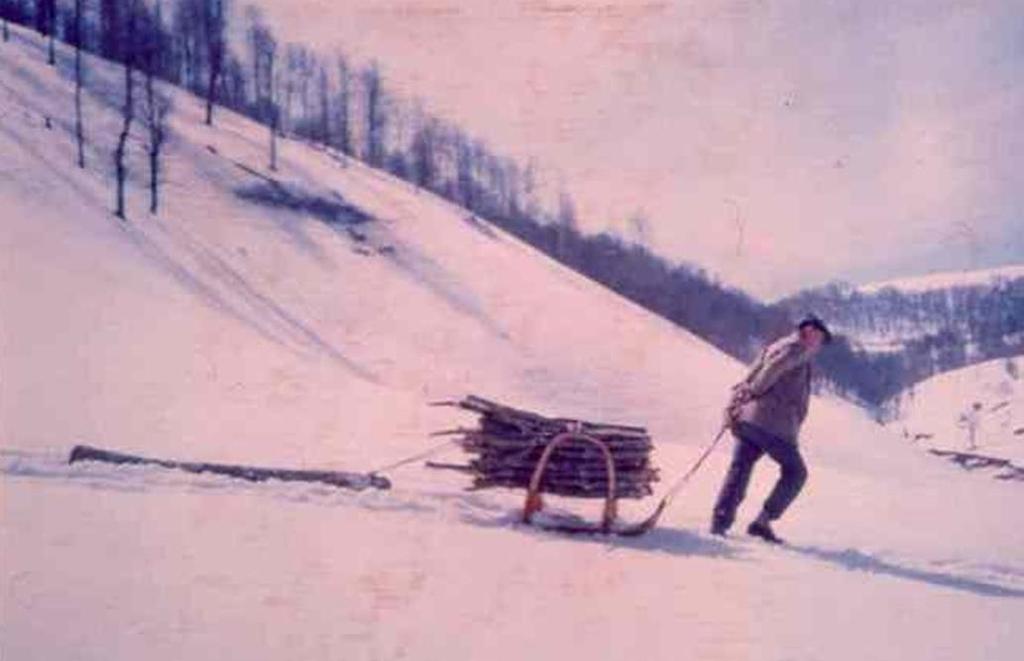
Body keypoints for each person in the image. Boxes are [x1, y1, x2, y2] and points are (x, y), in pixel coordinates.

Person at [711, 314, 832, 543]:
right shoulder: (797, 349)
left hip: (750, 419)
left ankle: (720, 522)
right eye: (820, 338)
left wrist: (741, 400)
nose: (819, 345)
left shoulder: (776, 345)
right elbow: (773, 370)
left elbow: (755, 371)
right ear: (810, 331)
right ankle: (762, 522)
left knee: (740, 469)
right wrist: (755, 391)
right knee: (796, 473)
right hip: (773, 424)